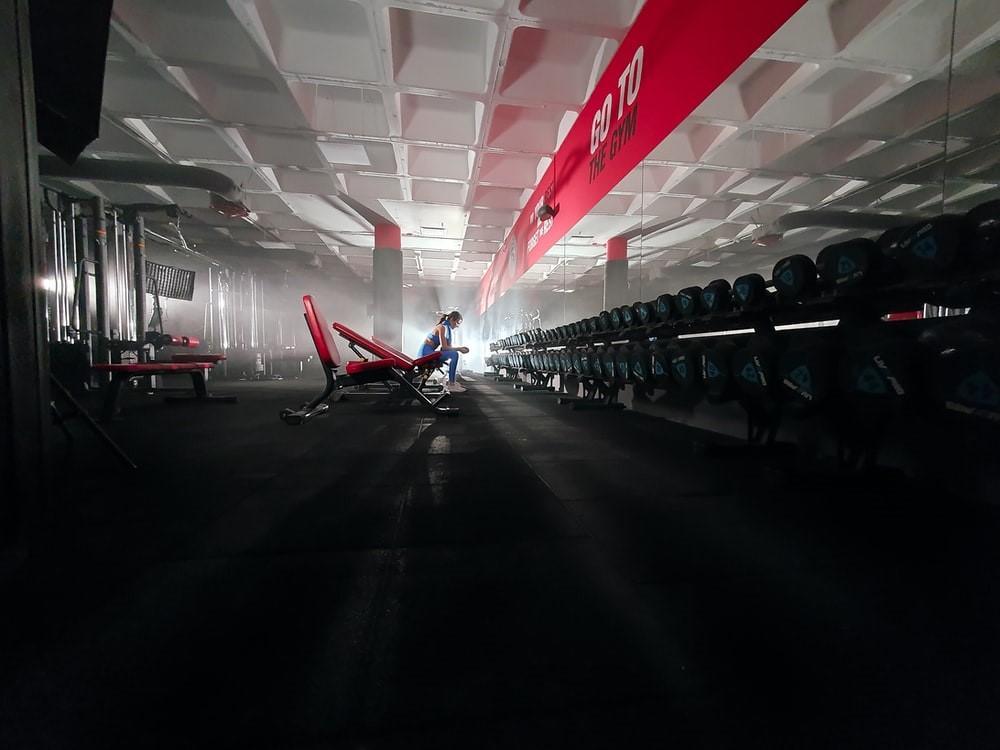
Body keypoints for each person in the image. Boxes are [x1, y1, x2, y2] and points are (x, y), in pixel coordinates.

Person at [419, 311, 469, 393]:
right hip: (425, 353)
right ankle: (451, 384)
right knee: (454, 354)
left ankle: (451, 382)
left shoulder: (446, 328)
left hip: (429, 352)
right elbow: (445, 348)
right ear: (452, 319)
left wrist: (460, 348)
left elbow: (444, 349)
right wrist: (459, 349)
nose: (457, 326)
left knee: (453, 354)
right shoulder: (442, 327)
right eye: (457, 322)